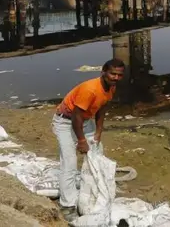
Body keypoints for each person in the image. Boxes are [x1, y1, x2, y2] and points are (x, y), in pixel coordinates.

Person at [52, 58, 125, 220]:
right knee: (69, 163)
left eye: (119, 75)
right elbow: (76, 117)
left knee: (97, 154)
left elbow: (101, 108)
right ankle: (67, 205)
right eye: (112, 74)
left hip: (84, 121)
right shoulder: (90, 89)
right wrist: (82, 141)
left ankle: (97, 191)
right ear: (103, 73)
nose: (116, 78)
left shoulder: (110, 88)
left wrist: (98, 132)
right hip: (65, 121)